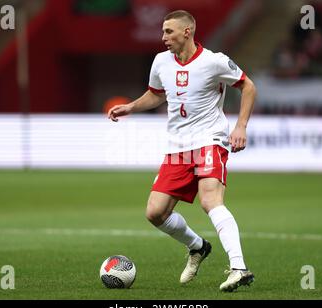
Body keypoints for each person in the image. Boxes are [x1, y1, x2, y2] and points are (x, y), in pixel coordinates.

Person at [108, 10, 256, 292]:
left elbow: (248, 86)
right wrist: (130, 107)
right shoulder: (161, 62)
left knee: (210, 201)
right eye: (163, 32)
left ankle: (239, 267)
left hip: (209, 140)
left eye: (169, 32)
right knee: (155, 213)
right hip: (177, 147)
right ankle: (197, 247)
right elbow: (155, 94)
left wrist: (241, 127)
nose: (163, 38)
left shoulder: (214, 61)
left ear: (187, 32)